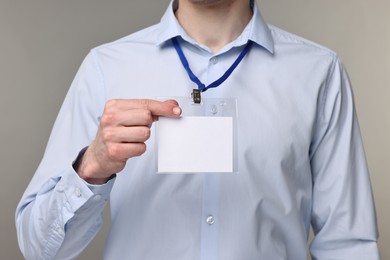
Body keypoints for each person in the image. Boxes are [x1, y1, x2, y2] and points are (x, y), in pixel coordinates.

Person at [16, 0, 380, 259]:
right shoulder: (105, 68)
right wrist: (91, 168)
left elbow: (347, 244)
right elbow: (40, 250)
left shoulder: (318, 72)